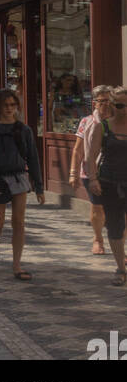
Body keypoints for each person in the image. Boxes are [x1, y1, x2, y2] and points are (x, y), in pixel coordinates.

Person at [0, 89, 44, 280]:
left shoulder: (23, 130)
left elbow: (33, 158)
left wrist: (39, 186)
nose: (9, 109)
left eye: (13, 105)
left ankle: (17, 265)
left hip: (19, 177)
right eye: (6, 105)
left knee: (19, 222)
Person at [86, 84, 127, 286]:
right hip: (110, 182)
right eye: (120, 106)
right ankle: (120, 268)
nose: (124, 109)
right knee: (115, 224)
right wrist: (92, 179)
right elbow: (90, 156)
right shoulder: (102, 126)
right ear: (112, 105)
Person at [70, 84, 114, 255]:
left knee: (119, 210)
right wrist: (73, 173)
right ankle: (98, 239)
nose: (106, 105)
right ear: (94, 103)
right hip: (91, 171)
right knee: (98, 208)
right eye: (102, 101)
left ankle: (119, 244)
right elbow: (78, 150)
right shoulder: (86, 122)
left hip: (116, 171)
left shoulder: (119, 122)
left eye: (109, 101)